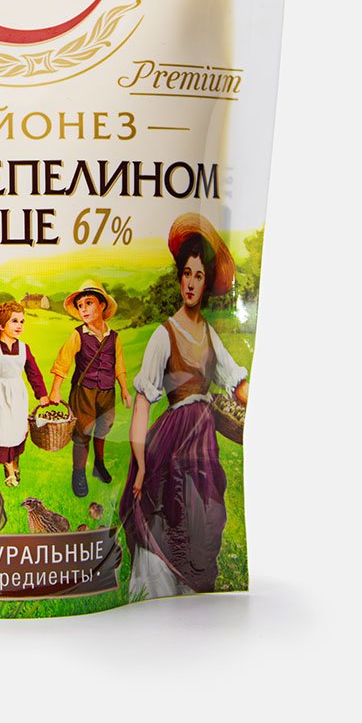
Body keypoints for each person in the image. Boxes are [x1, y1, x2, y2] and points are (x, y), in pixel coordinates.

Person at [119, 214, 250, 598]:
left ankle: (193, 597)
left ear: (206, 284)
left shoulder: (209, 333)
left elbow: (236, 382)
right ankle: (160, 595)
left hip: (203, 444)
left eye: (199, 276)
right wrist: (141, 465)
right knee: (168, 509)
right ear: (180, 279)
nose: (191, 283)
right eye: (186, 274)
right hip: (172, 442)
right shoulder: (164, 335)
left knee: (205, 515)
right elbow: (142, 405)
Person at [48, 278, 131, 498]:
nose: (83, 309)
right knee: (83, 432)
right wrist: (55, 389)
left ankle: (99, 465)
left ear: (102, 305)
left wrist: (124, 389)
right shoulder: (78, 335)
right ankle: (78, 473)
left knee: (104, 427)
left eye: (89, 303)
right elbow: (63, 361)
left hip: (107, 391)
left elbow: (119, 365)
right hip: (84, 391)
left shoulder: (114, 337)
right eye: (80, 305)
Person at [0, 300, 51, 487]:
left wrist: (42, 394)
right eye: (14, 321)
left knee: (17, 429)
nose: (19, 326)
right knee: (1, 430)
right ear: (1, 326)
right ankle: (8, 467)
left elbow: (33, 372)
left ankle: (14, 461)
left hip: (17, 395)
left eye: (22, 321)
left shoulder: (24, 348)